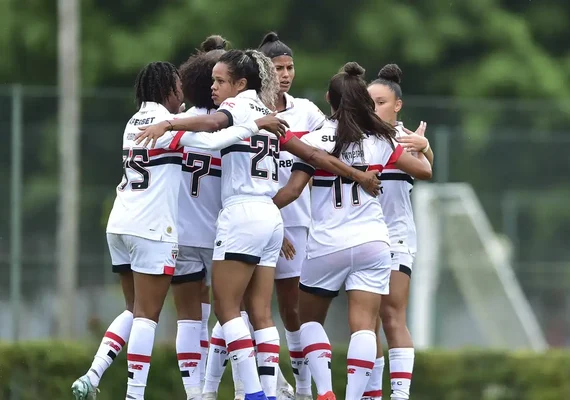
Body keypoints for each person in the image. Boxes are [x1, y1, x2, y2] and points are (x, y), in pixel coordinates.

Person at [136, 51, 382, 400]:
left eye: (220, 81)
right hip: (270, 216)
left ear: (241, 83)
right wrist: (359, 176)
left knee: (226, 308)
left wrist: (169, 124)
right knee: (262, 313)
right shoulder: (270, 115)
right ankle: (266, 390)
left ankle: (251, 393)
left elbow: (212, 124)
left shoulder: (238, 108)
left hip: (241, 213)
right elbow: (312, 156)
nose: (214, 87)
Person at [71, 60, 288, 400]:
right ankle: (139, 394)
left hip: (120, 223)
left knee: (137, 309)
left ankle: (95, 372)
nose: (182, 94)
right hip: (158, 229)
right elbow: (213, 142)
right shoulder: (172, 125)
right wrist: (255, 124)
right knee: (152, 315)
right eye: (178, 88)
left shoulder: (134, 121)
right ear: (169, 90)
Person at [272, 62, 432, 400]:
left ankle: (326, 391)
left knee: (308, 320)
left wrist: (260, 212)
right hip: (373, 242)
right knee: (364, 325)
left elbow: (293, 191)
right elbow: (422, 168)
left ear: (329, 98)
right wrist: (423, 144)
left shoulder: (313, 139)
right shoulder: (382, 140)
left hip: (326, 244)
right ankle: (356, 395)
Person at [258, 31, 326, 400]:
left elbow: (329, 150)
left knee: (291, 310)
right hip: (253, 221)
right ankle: (262, 386)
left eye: (290, 67)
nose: (285, 74)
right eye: (278, 68)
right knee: (245, 308)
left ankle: (301, 389)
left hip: (297, 223)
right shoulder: (248, 112)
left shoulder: (307, 113)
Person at [362, 64, 434, 400]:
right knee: (366, 319)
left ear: (397, 105)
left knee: (392, 313)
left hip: (397, 236)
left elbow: (426, 168)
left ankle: (400, 394)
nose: (373, 109)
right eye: (369, 102)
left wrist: (425, 145)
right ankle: (372, 393)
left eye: (380, 102)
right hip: (361, 237)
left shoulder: (404, 139)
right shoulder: (357, 137)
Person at [173, 35, 231, 400]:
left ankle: (195, 393)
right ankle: (211, 388)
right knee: (231, 314)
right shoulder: (233, 123)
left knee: (189, 318)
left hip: (180, 232)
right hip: (221, 235)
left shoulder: (177, 123)